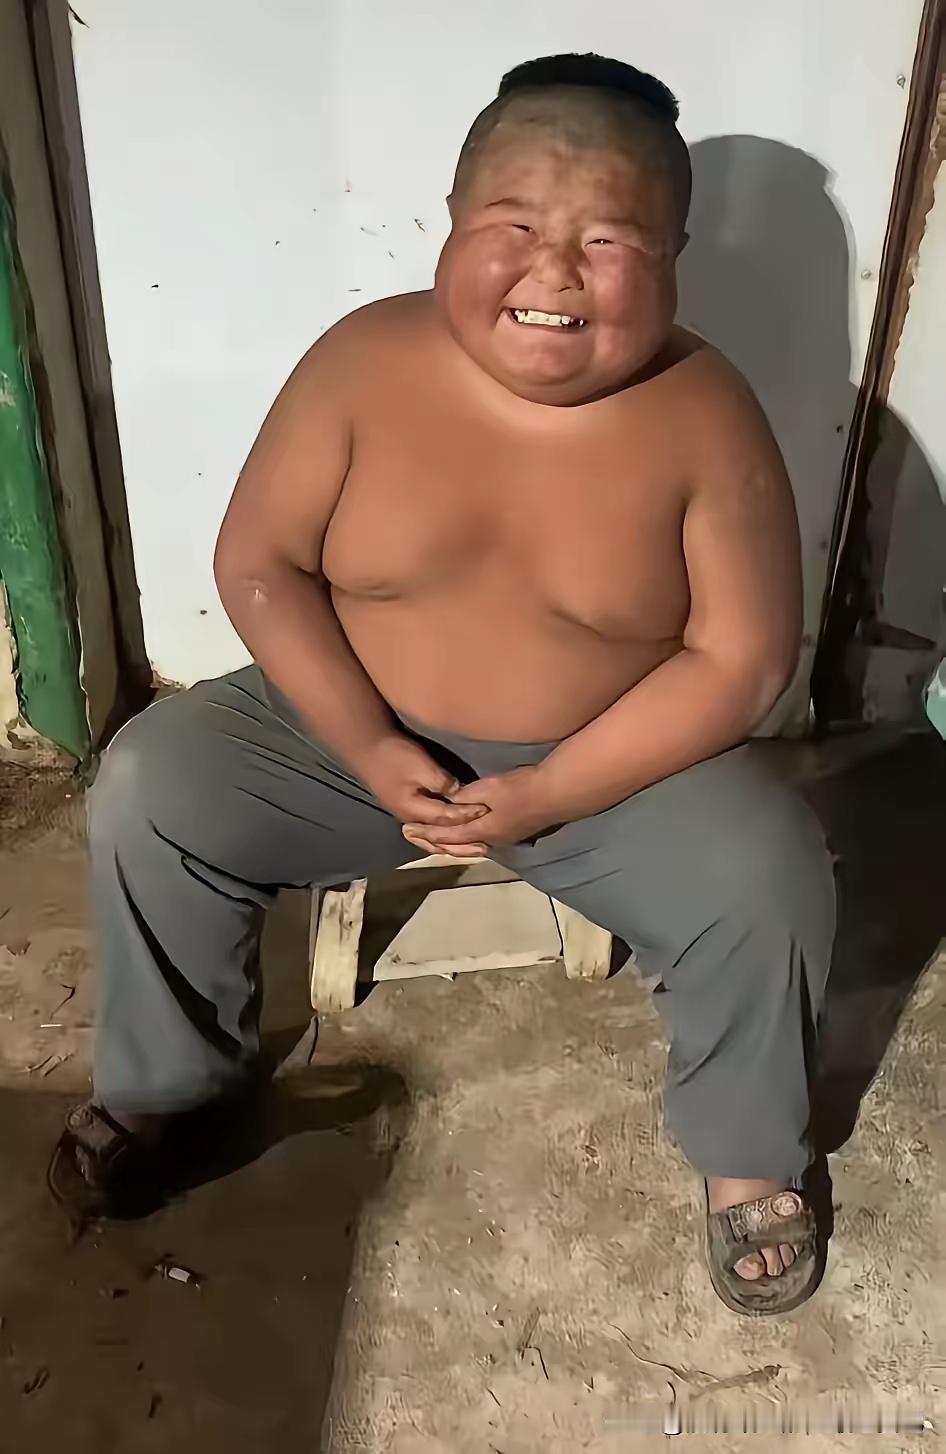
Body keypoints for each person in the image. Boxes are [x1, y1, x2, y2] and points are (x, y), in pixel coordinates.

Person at [52, 53, 835, 1315]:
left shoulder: (704, 413)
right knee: (152, 783)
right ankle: (172, 1087)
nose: (554, 270)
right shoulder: (362, 362)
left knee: (769, 869)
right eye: (512, 226)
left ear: (675, 257)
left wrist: (551, 788)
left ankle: (747, 1152)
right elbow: (258, 563)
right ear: (453, 222)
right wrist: (365, 742)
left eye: (608, 239)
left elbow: (738, 659)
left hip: (603, 773)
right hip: (340, 740)